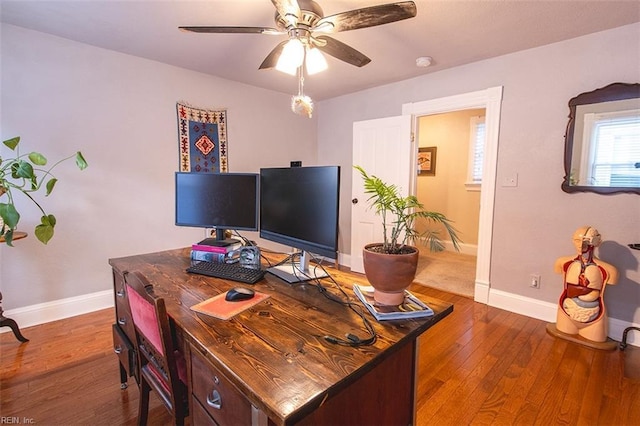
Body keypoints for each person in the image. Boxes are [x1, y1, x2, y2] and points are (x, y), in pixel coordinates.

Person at [553, 226, 618, 343]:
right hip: (567, 310)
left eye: (587, 241)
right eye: (578, 240)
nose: (581, 245)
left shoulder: (609, 270)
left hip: (593, 315)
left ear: (596, 242)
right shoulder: (563, 262)